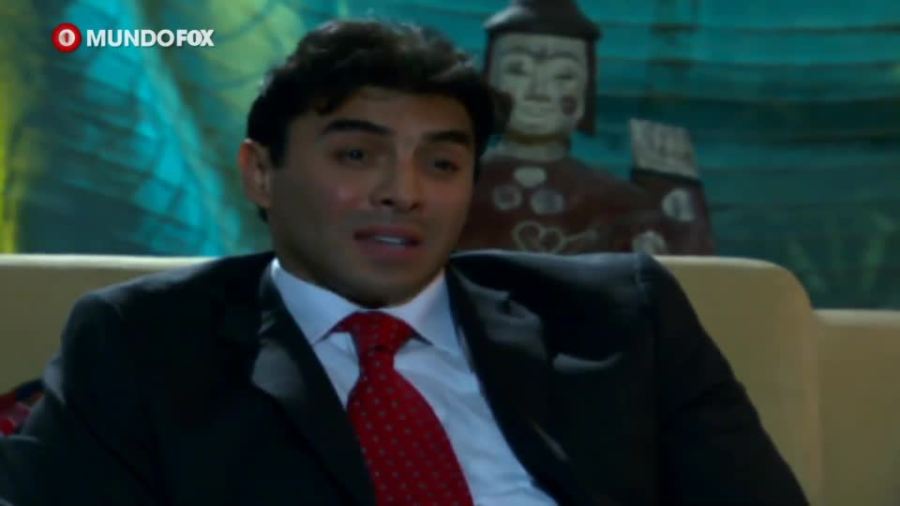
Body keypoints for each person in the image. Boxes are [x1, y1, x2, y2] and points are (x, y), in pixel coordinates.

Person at [0, 19, 805, 506]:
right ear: (260, 173)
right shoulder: (142, 343)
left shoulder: (619, 318)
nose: (404, 192)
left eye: (442, 164)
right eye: (357, 155)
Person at [457, 0, 715, 255]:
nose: (538, 93)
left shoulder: (617, 201)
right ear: (489, 80)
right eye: (517, 70)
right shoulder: (462, 184)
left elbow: (685, 270)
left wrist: (673, 189)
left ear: (586, 90)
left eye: (563, 75)